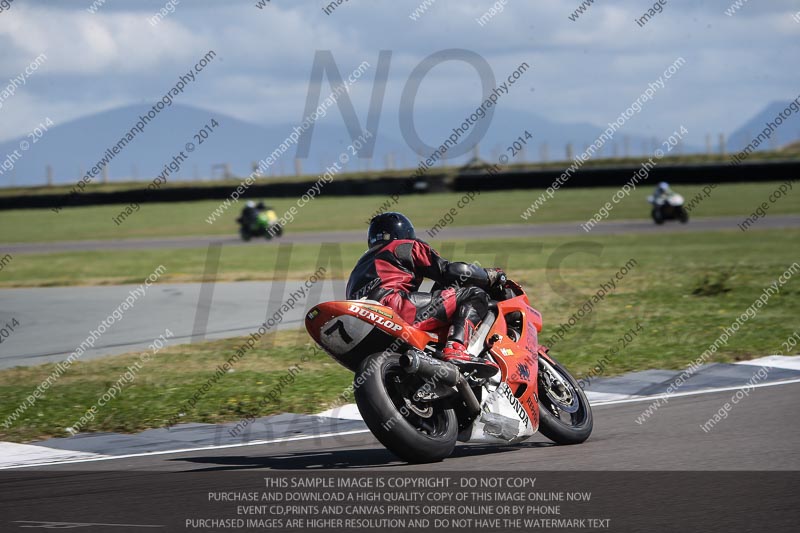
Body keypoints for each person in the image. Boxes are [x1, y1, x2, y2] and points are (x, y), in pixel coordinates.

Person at [346, 212, 504, 373]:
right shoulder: (405, 245)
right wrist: (489, 276)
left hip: (361, 324)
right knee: (474, 294)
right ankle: (456, 348)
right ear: (406, 233)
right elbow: (449, 271)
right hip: (394, 308)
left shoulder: (358, 267)